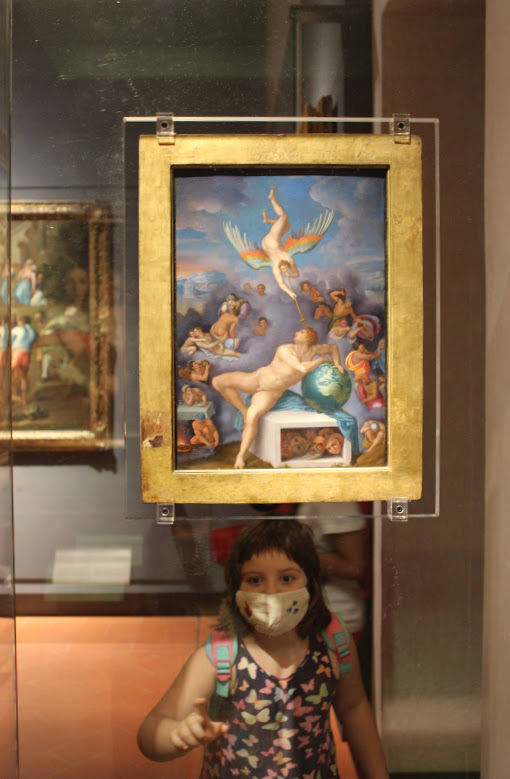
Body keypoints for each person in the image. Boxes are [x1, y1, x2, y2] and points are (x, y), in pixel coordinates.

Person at [137, 519, 388, 779]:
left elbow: (354, 707)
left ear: (310, 581)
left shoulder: (333, 641)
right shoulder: (221, 657)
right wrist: (178, 735)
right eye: (255, 580)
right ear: (236, 587)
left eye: (287, 578)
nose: (271, 592)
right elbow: (151, 732)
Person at [212, 326, 344, 469]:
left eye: (301, 332)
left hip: (270, 392)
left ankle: (240, 456)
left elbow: (333, 348)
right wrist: (321, 360)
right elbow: (301, 368)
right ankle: (243, 410)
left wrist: (337, 363)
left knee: (252, 417)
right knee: (217, 382)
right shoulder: (285, 349)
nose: (296, 332)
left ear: (309, 338)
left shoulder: (314, 351)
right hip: (256, 379)